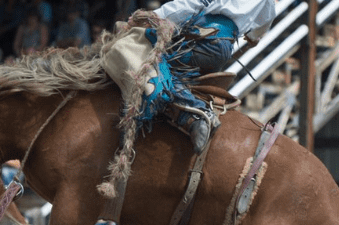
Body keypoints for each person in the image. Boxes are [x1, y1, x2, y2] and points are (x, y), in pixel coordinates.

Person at [103, 0, 276, 153]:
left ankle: (192, 115)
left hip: (204, 40)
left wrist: (152, 17)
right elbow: (265, 19)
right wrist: (254, 36)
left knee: (143, 55)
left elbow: (191, 4)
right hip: (223, 47)